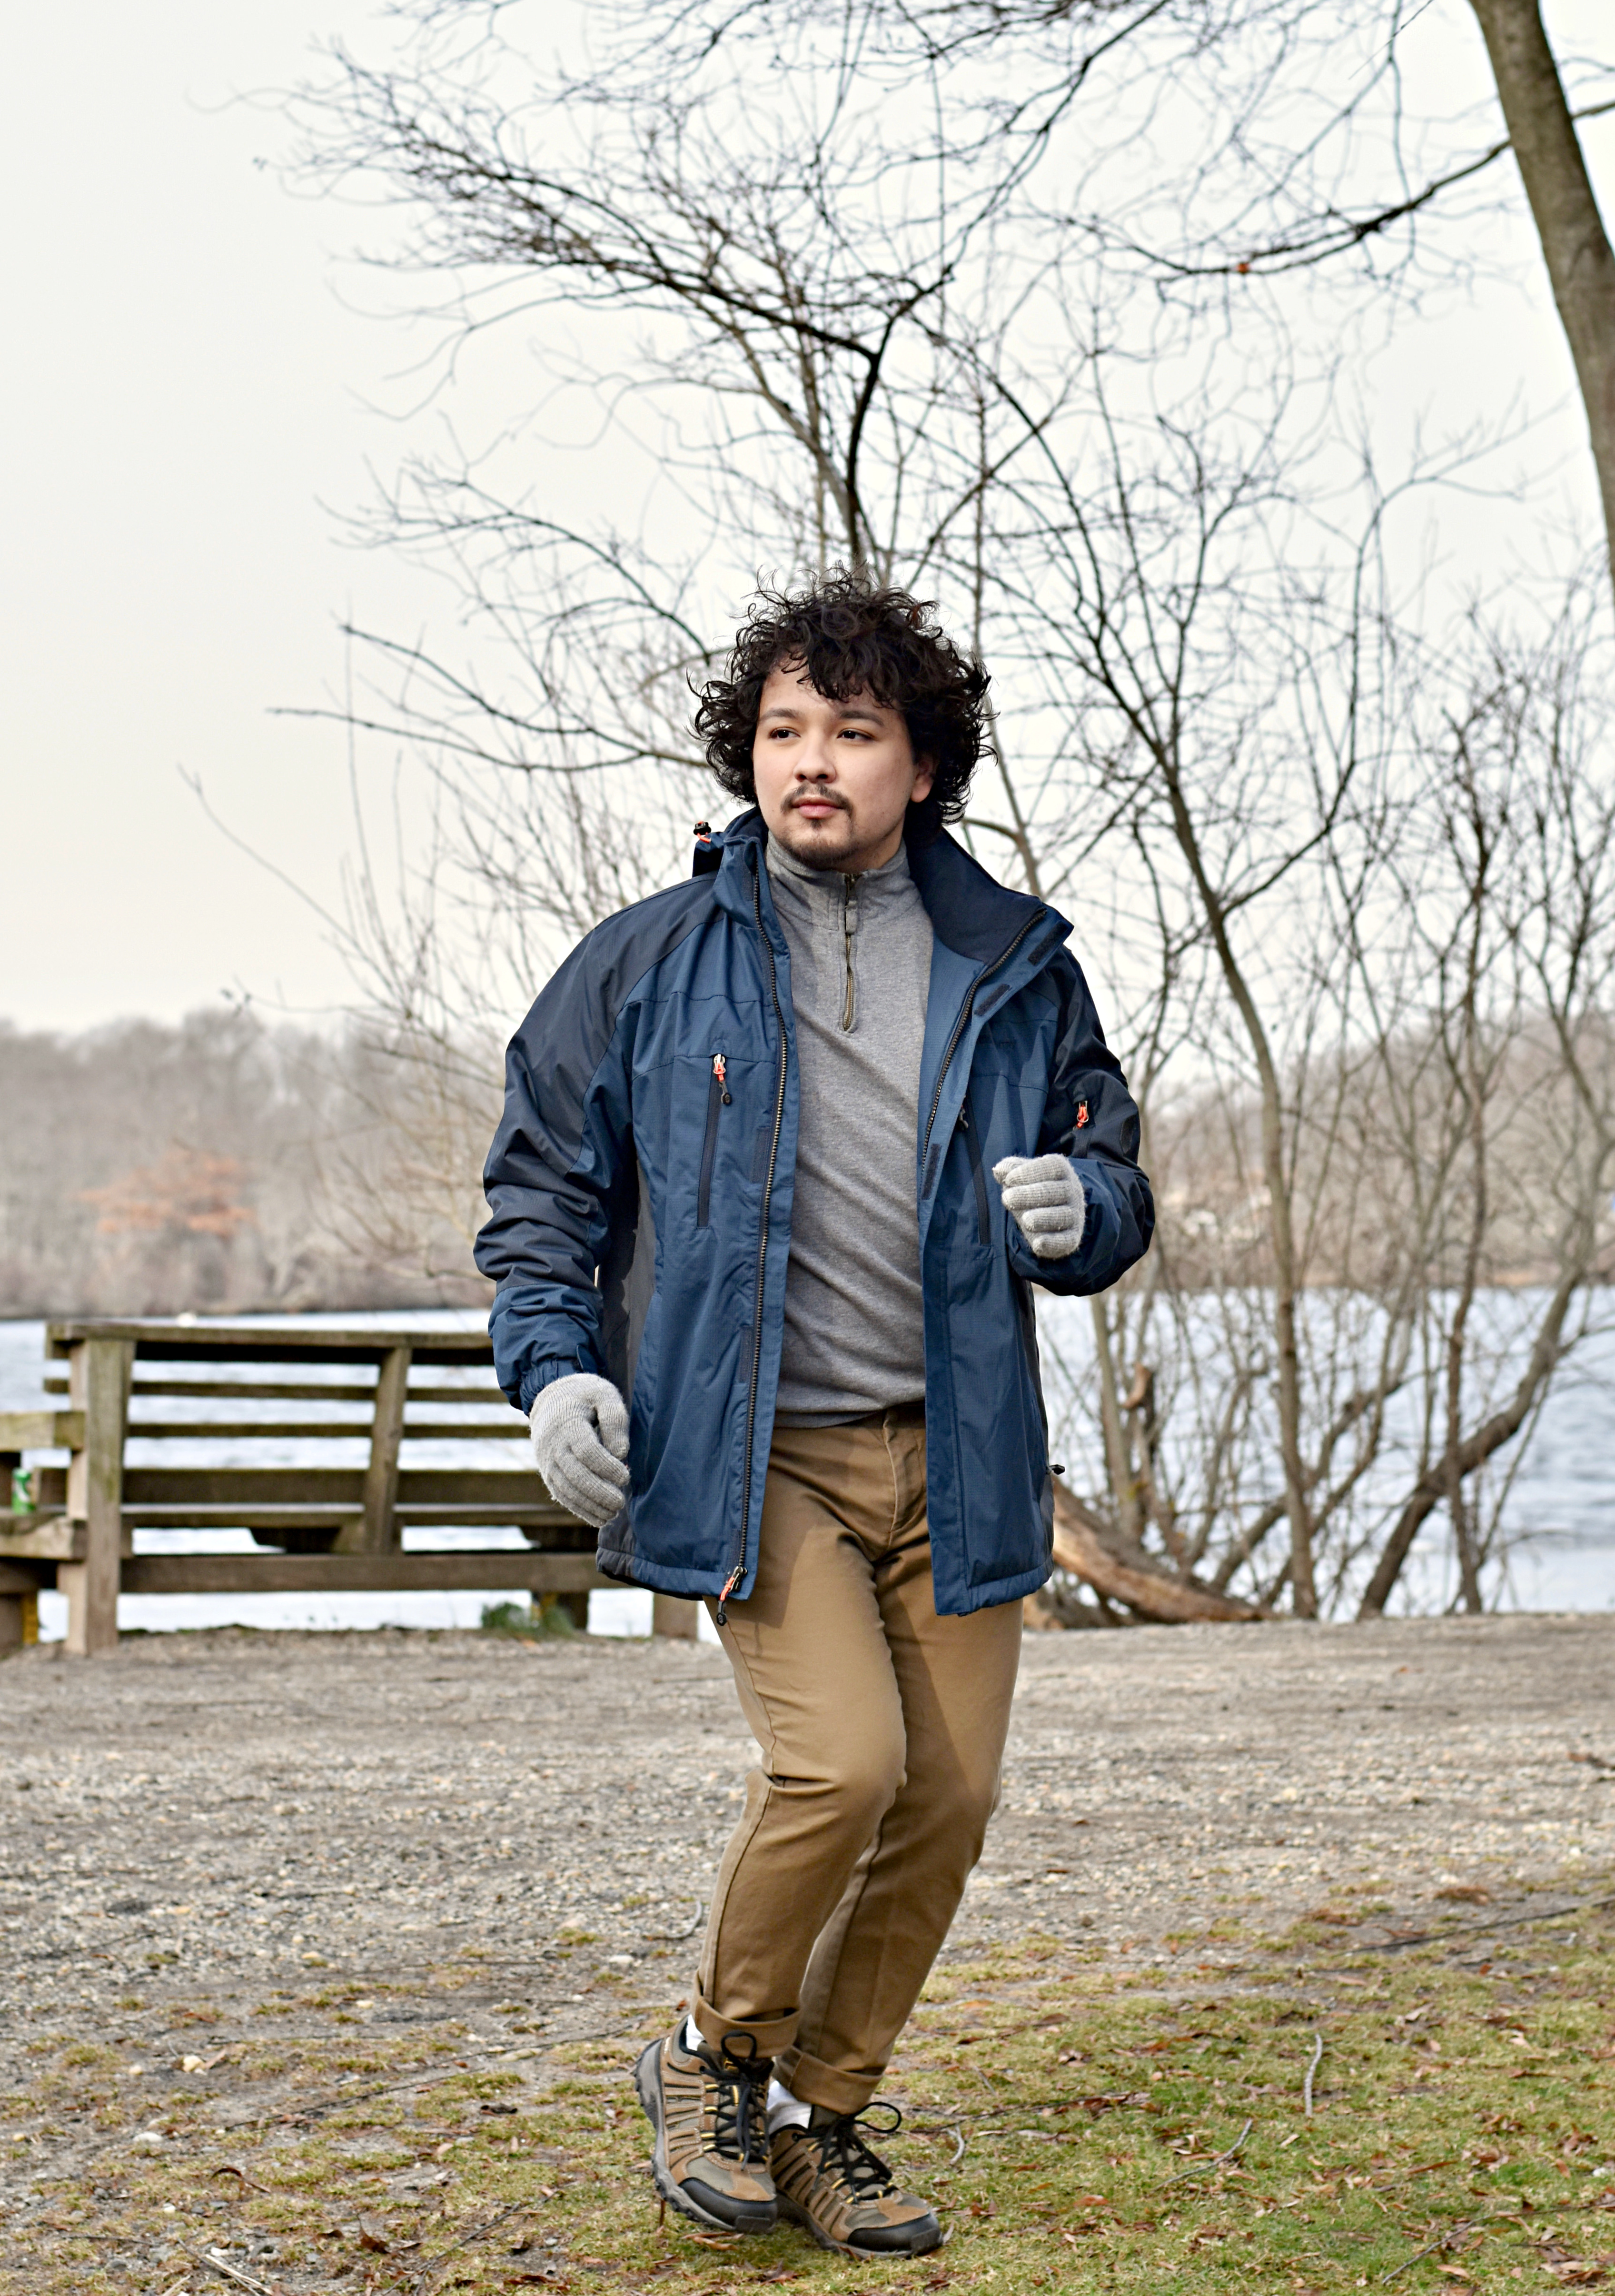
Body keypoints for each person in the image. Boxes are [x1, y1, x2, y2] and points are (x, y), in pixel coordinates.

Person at [476, 573, 1153, 2258]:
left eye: (851, 732)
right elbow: (541, 1196)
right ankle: (710, 2054)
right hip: (754, 1451)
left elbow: (1109, 1160)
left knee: (949, 1801)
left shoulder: (1014, 962)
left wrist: (1083, 1204)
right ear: (748, 754)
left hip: (960, 1452)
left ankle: (815, 2115)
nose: (810, 762)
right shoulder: (648, 962)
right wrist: (555, 1371)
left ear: (921, 765)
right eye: (783, 731)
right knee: (842, 1766)